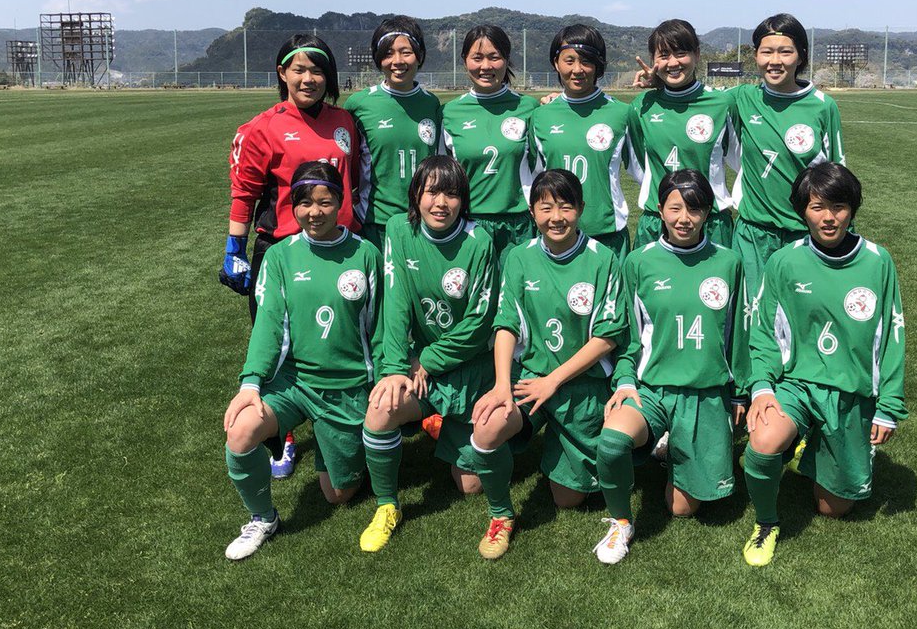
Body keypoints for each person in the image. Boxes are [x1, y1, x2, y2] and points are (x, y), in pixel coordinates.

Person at [740, 162, 906, 567]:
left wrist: (889, 406)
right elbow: (763, 330)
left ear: (852, 209)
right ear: (802, 211)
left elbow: (893, 334)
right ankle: (766, 523)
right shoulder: (784, 261)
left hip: (850, 391)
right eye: (816, 207)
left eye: (838, 206)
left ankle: (809, 450)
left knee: (834, 510)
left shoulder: (877, 261)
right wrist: (761, 386)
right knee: (761, 444)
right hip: (797, 384)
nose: (828, 217)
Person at [221, 161, 382, 560]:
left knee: (338, 495)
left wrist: (383, 380)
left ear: (341, 202)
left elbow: (380, 327)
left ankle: (338, 446)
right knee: (241, 432)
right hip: (293, 384)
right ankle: (263, 518)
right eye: (305, 203)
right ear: (292, 206)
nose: (315, 212)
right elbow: (268, 325)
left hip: (347, 388)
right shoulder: (279, 257)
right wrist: (251, 383)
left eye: (325, 202)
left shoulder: (366, 254)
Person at [222, 34, 362, 477]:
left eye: (316, 70)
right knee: (279, 342)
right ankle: (277, 433)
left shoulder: (345, 120)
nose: (308, 78)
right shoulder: (262, 126)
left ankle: (338, 412)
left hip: (338, 246)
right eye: (298, 69)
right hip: (282, 248)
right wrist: (234, 249)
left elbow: (355, 180)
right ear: (282, 74)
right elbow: (244, 193)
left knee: (336, 335)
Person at [359, 156, 513, 558]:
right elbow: (394, 302)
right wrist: (395, 368)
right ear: (416, 196)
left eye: (451, 193)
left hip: (469, 370)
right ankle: (386, 506)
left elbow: (481, 322)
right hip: (420, 368)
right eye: (431, 192)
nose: (440, 202)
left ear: (464, 199)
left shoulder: (480, 241)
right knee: (380, 408)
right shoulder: (399, 229)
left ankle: (448, 425)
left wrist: (426, 359)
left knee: (468, 485)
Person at [593, 170, 748, 565]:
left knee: (682, 508)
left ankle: (674, 447)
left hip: (704, 393)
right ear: (659, 209)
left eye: (694, 208)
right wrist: (624, 380)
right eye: (674, 207)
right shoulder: (639, 262)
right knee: (611, 443)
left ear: (708, 212)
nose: (684, 218)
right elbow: (626, 332)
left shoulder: (729, 262)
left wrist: (741, 391)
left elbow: (739, 334)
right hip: (652, 390)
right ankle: (620, 523)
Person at [469, 169, 627, 540]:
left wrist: (552, 382)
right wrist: (502, 386)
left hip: (581, 388)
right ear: (532, 212)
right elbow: (506, 324)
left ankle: (563, 449)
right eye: (546, 208)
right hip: (529, 380)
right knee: (487, 427)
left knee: (569, 499)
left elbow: (607, 337)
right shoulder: (519, 258)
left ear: (581, 209)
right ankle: (501, 516)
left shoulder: (603, 259)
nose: (556, 217)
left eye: (565, 207)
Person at [730, 13, 846, 297]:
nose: (775, 61)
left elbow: (837, 176)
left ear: (801, 55)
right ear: (755, 55)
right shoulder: (742, 98)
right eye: (766, 51)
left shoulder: (822, 106)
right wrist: (657, 82)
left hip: (803, 234)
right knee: (752, 323)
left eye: (785, 51)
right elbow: (694, 98)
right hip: (753, 236)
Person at [530, 25, 639, 261]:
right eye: (569, 61)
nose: (577, 70)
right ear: (556, 63)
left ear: (598, 65)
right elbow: (533, 179)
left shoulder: (622, 113)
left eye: (587, 61)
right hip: (556, 236)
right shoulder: (540, 116)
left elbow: (643, 171)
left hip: (607, 235)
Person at [627, 20, 738, 249]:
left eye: (681, 53)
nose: (673, 62)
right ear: (653, 60)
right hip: (656, 222)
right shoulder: (642, 106)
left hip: (711, 223)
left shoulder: (722, 103)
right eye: (664, 55)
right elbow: (638, 164)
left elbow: (739, 157)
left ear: (697, 54)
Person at [441, 25, 538, 265]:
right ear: (465, 61)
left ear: (506, 61)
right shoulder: (449, 113)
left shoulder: (530, 108)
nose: (486, 66)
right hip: (467, 225)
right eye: (477, 58)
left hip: (518, 225)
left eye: (494, 57)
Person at [346, 16, 443, 252]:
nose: (397, 61)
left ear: (419, 55)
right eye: (388, 53)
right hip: (375, 224)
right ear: (378, 59)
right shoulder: (359, 104)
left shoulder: (432, 104)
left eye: (405, 52)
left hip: (423, 222)